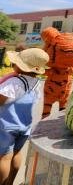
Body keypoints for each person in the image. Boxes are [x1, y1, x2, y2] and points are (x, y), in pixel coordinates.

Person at [0, 48, 49, 185]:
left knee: (4, 158)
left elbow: (1, 100)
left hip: (6, 127)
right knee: (16, 154)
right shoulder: (36, 83)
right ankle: (10, 182)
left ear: (21, 67)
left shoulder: (14, 82)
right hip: (24, 127)